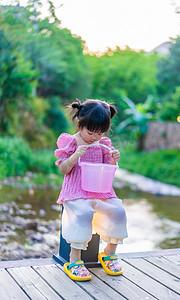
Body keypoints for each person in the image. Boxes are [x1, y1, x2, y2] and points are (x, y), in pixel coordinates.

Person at [55, 99, 128, 281]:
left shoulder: (103, 143)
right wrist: (74, 157)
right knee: (82, 212)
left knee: (118, 210)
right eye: (91, 132)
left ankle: (109, 253)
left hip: (100, 189)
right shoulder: (71, 142)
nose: (95, 137)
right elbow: (63, 169)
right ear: (80, 123)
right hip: (76, 189)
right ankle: (74, 260)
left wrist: (113, 159)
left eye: (100, 132)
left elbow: (107, 168)